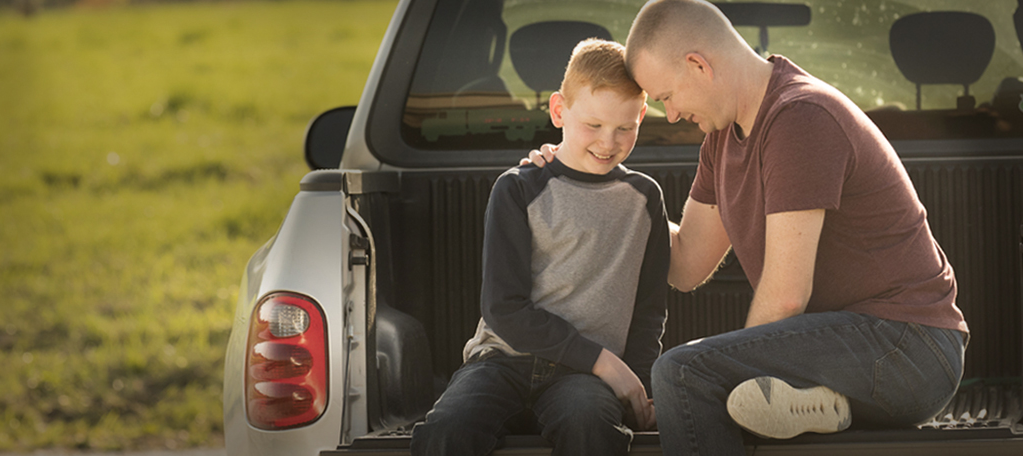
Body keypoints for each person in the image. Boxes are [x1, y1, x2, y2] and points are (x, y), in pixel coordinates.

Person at [526, 0, 969, 454]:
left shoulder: (799, 117)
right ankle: (820, 407)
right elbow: (685, 265)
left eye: (666, 97)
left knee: (684, 373)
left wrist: (725, 377)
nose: (672, 114)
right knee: (705, 379)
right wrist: (583, 175)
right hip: (847, 351)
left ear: (698, 65)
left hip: (908, 349)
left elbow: (785, 296)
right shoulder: (722, 138)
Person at [410, 38, 670, 456]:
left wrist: (636, 383)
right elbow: (504, 308)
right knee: (447, 430)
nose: (608, 142)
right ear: (558, 111)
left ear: (642, 115)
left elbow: (648, 309)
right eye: (593, 125)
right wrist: (604, 362)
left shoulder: (645, 198)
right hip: (501, 363)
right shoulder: (518, 188)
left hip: (583, 381)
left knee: (590, 426)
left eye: (625, 128)